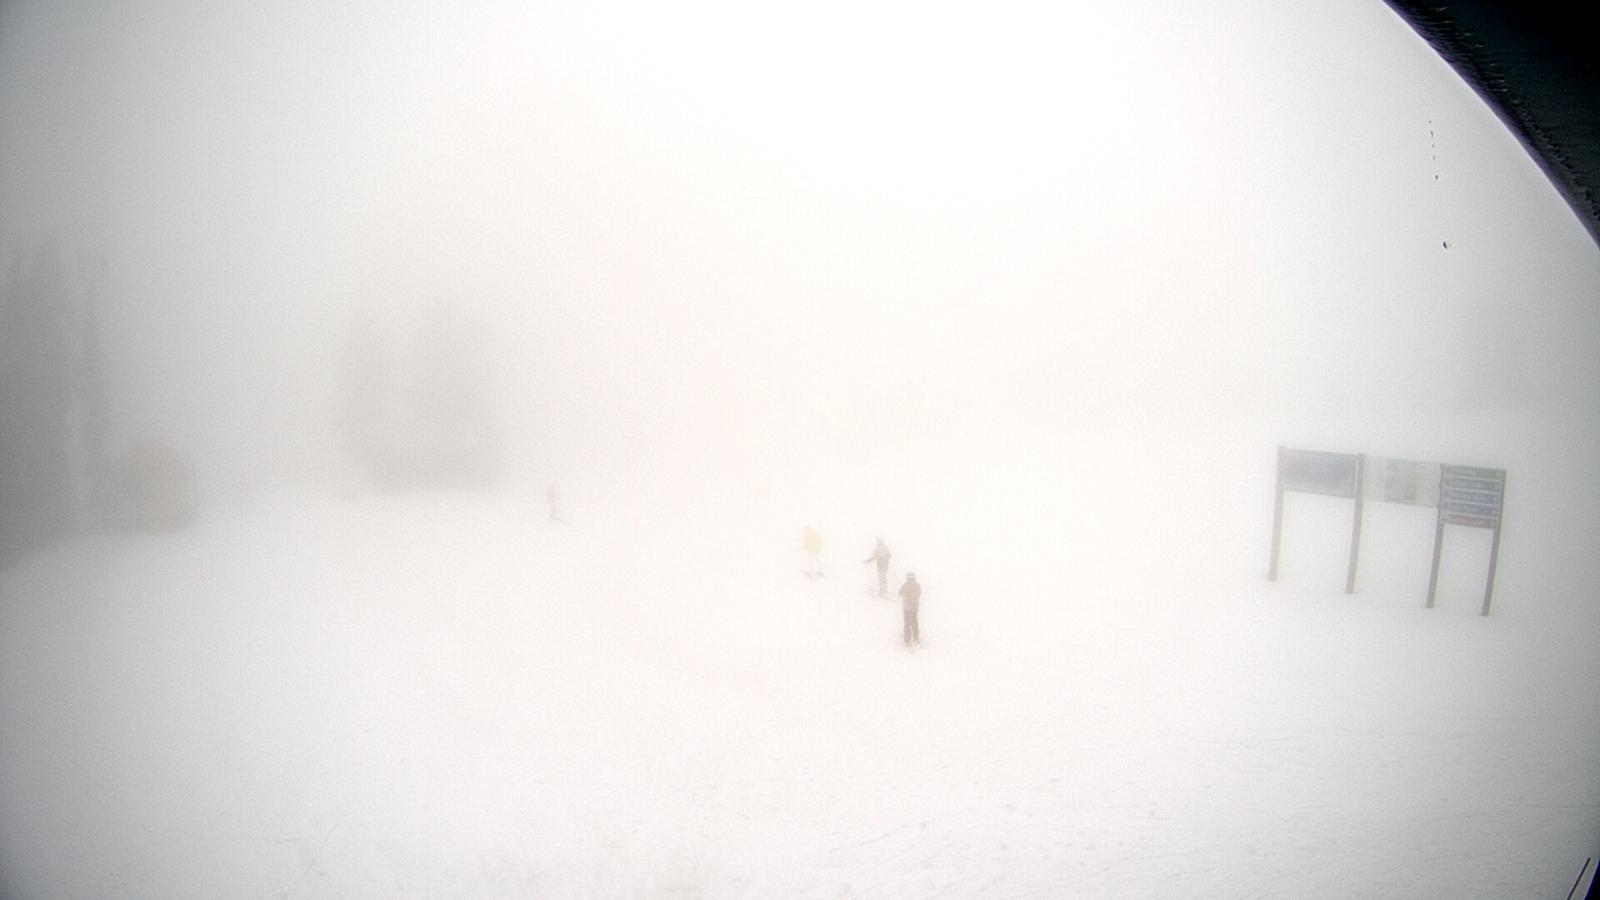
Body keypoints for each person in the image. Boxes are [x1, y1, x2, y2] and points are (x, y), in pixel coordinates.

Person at [898, 572, 922, 648]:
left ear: (907, 578)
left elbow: (900, 593)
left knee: (907, 623)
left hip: (907, 608)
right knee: (914, 621)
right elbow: (919, 593)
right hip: (915, 607)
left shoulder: (905, 585)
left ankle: (907, 640)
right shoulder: (918, 585)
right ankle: (916, 637)